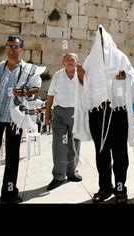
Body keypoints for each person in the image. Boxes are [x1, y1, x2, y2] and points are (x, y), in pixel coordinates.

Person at [0, 35, 42, 204]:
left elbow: (37, 88)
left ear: (21, 49)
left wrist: (24, 92)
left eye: (15, 46)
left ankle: (9, 194)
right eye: (9, 46)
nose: (11, 49)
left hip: (14, 120)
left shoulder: (29, 70)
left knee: (12, 157)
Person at [73, 25, 134, 204]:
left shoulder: (119, 57)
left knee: (119, 153)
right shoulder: (90, 61)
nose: (101, 44)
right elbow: (84, 85)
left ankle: (120, 188)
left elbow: (131, 75)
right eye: (98, 40)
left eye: (104, 40)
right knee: (101, 152)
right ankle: (104, 187)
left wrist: (124, 76)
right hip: (98, 114)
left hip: (117, 112)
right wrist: (81, 77)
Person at [45, 53, 82, 191]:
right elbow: (51, 95)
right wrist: (47, 113)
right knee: (59, 143)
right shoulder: (57, 75)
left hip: (76, 112)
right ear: (63, 62)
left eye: (72, 59)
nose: (70, 61)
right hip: (59, 112)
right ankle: (59, 176)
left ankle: (72, 171)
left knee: (75, 142)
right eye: (67, 59)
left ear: (77, 61)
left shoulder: (81, 74)